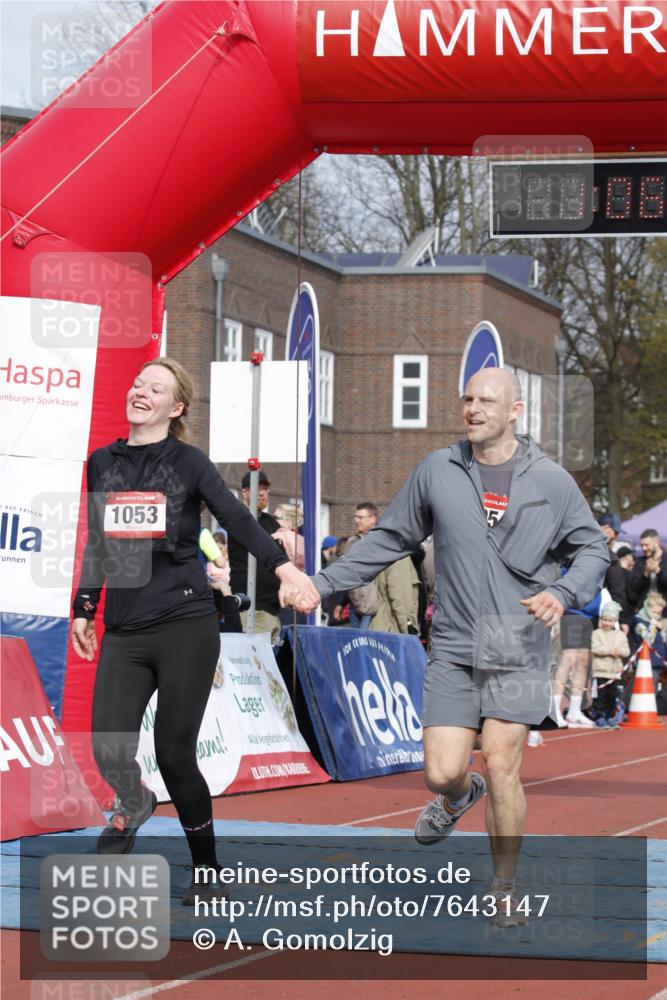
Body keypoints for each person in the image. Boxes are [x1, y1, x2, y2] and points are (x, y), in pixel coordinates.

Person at [280, 367, 608, 927]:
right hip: (454, 641)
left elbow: (594, 549)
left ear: (514, 411)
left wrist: (562, 590)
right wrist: (322, 582)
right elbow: (389, 538)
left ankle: (503, 888)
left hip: (518, 640)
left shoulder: (551, 481)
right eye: (468, 399)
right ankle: (459, 796)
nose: (474, 408)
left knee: (503, 762)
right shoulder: (439, 468)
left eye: (487, 400)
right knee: (440, 772)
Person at [71, 358, 318, 905]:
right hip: (126, 628)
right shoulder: (101, 461)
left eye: (155, 388)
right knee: (109, 745)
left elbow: (237, 518)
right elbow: (98, 540)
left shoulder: (188, 462)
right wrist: (85, 606)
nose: (140, 392)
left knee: (175, 753)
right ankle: (133, 802)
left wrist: (283, 567)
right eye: (137, 383)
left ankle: (206, 870)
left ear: (175, 407)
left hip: (185, 622)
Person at [227, 469, 283, 641]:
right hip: (253, 610)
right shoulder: (239, 517)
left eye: (265, 488)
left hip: (271, 610)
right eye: (257, 488)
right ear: (244, 491)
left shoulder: (270, 521)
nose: (261, 493)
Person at [590, 601, 630, 727]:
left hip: (614, 673)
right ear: (601, 619)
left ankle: (610, 716)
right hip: (600, 671)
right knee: (599, 696)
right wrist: (609, 651)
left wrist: (620, 652)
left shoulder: (620, 635)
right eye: (604, 620)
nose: (607, 623)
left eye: (610, 621)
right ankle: (599, 716)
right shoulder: (596, 634)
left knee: (612, 696)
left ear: (615, 622)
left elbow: (626, 651)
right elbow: (594, 648)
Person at [343, 502, 380, 628]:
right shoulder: (352, 541)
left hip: (373, 604)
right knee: (355, 644)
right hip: (355, 603)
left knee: (365, 642)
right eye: (355, 517)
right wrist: (341, 602)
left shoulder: (380, 541)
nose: (356, 520)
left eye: (360, 517)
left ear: (373, 519)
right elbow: (344, 572)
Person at [370, 555, 420, 635]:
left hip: (384, 624)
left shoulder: (388, 554)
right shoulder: (400, 559)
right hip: (394, 627)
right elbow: (400, 599)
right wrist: (407, 629)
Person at [627, 528, 667, 609]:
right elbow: (633, 589)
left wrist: (658, 571)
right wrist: (645, 574)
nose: (643, 549)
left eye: (646, 545)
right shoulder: (640, 562)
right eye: (641, 545)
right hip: (644, 612)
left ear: (657, 543)